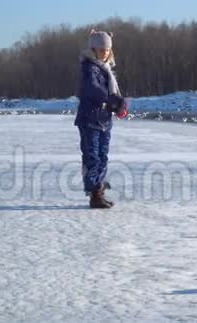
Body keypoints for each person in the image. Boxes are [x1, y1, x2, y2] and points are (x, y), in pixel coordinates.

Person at [74, 29, 128, 209]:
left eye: (107, 50)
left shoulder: (106, 70)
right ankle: (94, 192)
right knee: (92, 157)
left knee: (103, 156)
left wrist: (119, 104)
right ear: (93, 50)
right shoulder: (89, 68)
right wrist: (113, 101)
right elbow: (94, 90)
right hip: (90, 120)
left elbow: (111, 93)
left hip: (104, 121)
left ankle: (98, 186)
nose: (105, 53)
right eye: (101, 49)